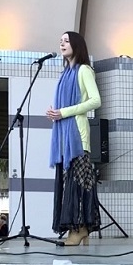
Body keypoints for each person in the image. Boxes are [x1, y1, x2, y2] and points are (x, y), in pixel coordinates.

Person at [46, 31, 102, 246]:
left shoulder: (84, 70)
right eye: (60, 40)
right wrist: (55, 113)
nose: (62, 43)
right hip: (64, 137)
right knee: (71, 183)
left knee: (78, 184)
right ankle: (80, 229)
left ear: (77, 45)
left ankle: (80, 229)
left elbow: (96, 100)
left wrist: (64, 112)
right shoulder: (65, 74)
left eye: (66, 40)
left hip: (78, 137)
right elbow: (63, 108)